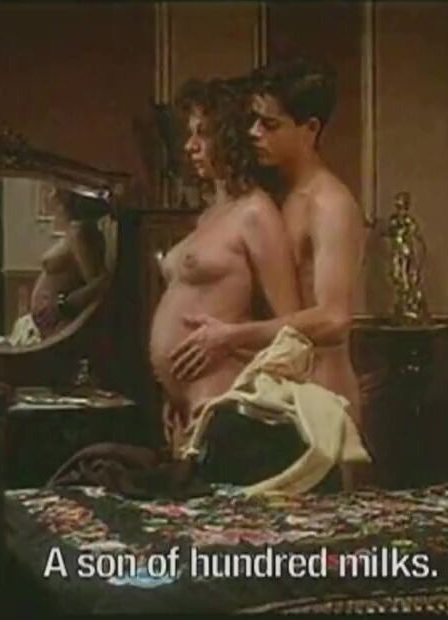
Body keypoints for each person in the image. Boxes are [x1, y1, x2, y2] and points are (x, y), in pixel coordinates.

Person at [168, 59, 368, 456]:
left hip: (320, 394)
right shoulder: (272, 198)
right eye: (253, 122)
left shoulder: (329, 204)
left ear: (310, 129)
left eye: (270, 125)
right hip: (276, 391)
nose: (255, 134)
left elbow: (334, 318)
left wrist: (230, 336)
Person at [150, 78, 302, 458]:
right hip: (185, 406)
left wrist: (229, 337)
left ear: (230, 138)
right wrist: (173, 393)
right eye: (190, 134)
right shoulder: (209, 216)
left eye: (203, 133)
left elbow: (292, 327)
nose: (190, 146)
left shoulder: (256, 212)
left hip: (219, 397)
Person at [30, 188, 110, 339]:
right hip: (54, 327)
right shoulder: (74, 230)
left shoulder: (79, 232)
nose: (52, 195)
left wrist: (62, 307)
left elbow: (99, 284)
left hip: (64, 324)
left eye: (57, 190)